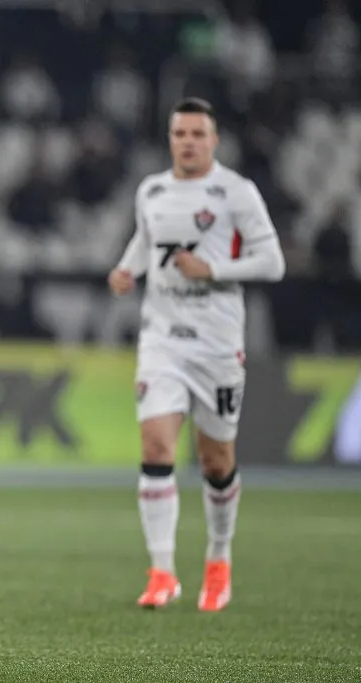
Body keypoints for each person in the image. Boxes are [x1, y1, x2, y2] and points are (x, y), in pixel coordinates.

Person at [108, 97, 285, 612]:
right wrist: (126, 270)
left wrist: (214, 271)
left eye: (197, 134)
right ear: (170, 139)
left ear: (214, 141)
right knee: (156, 447)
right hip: (162, 337)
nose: (187, 141)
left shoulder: (236, 193)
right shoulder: (152, 190)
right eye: (179, 133)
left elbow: (272, 261)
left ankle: (218, 558)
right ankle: (162, 571)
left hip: (217, 344)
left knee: (216, 460)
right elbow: (145, 242)